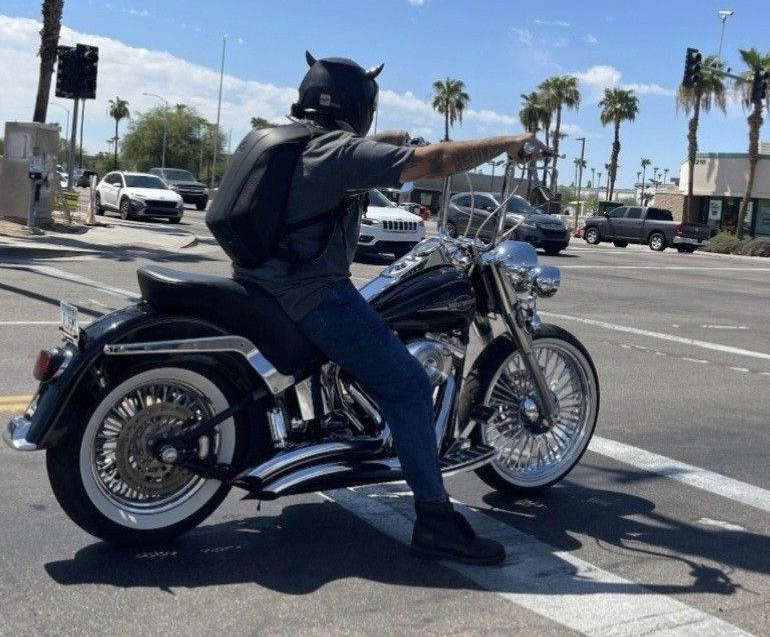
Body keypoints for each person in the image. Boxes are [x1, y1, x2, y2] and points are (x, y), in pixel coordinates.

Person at [234, 52, 546, 566]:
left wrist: (397, 138)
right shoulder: (335, 151)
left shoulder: (286, 141)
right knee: (408, 384)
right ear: (359, 105)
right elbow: (436, 162)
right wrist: (506, 143)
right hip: (312, 295)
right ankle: (435, 521)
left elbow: (363, 153)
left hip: (261, 283)